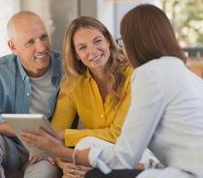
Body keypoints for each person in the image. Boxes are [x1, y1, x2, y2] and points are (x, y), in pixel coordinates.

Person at [20, 4, 203, 178]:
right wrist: (64, 157)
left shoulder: (144, 74)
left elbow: (125, 153)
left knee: (95, 171)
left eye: (119, 39)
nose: (93, 50)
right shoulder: (178, 70)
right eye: (82, 47)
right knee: (89, 151)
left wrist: (64, 150)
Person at [50, 16, 159, 177]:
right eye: (82, 47)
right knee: (79, 162)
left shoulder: (133, 76)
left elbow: (119, 134)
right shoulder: (72, 83)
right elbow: (53, 137)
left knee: (85, 145)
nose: (92, 51)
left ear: (108, 40)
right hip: (103, 159)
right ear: (76, 55)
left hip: (143, 156)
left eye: (97, 41)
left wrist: (66, 135)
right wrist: (63, 163)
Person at [0, 11, 63, 178]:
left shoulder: (66, 68)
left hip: (45, 152)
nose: (41, 47)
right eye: (30, 42)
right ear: (13, 47)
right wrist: (23, 130)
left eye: (43, 37)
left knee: (46, 172)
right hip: (11, 146)